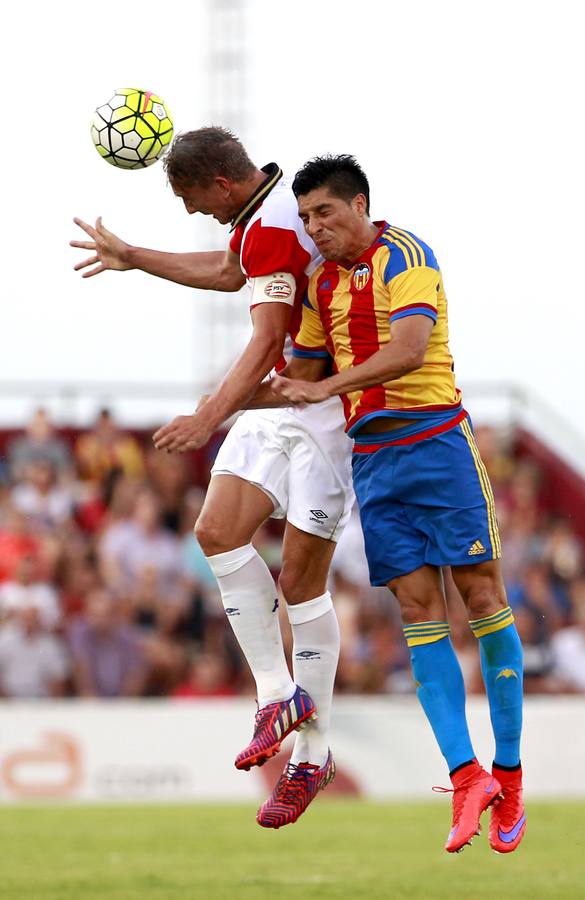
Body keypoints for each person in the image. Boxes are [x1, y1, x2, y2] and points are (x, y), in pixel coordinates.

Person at [70, 127, 354, 827]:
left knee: (301, 582)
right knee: (217, 530)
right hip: (278, 395)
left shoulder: (280, 224)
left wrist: (208, 417)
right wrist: (134, 256)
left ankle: (312, 758)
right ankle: (275, 697)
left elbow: (263, 336)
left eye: (192, 198)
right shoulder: (260, 216)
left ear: (220, 184)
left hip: (323, 406)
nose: (193, 212)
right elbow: (231, 272)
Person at [262, 154, 526, 854]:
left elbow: (409, 349)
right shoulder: (319, 284)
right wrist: (225, 400)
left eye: (325, 212)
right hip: (374, 463)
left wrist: (324, 386)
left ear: (360, 205)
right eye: (308, 216)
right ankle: (466, 776)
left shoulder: (407, 254)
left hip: (437, 443)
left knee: (481, 595)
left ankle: (510, 772)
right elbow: (304, 374)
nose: (316, 228)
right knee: (416, 610)